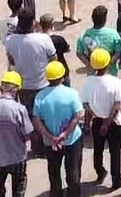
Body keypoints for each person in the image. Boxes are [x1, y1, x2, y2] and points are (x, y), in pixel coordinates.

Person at [33, 62, 83, 197]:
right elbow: (77, 115)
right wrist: (65, 134)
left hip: (50, 143)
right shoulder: (71, 93)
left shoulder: (40, 96)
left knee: (54, 172)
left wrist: (50, 137)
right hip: (72, 140)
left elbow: (37, 120)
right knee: (73, 171)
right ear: (62, 76)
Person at [81, 49, 121, 191]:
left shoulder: (88, 82)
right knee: (115, 153)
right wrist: (107, 124)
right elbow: (117, 106)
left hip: (97, 121)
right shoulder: (116, 82)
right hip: (114, 123)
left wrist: (88, 123)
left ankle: (100, 172)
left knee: (98, 150)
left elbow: (86, 105)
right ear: (108, 64)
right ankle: (116, 180)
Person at [0, 72, 32, 197]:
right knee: (18, 189)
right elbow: (27, 132)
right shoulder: (19, 109)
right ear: (16, 90)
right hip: (17, 157)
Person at [4, 9, 57, 120]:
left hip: (23, 87)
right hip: (44, 85)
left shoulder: (9, 41)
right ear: (33, 23)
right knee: (46, 117)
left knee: (29, 117)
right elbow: (54, 59)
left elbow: (11, 63)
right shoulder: (44, 39)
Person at [76, 6, 121, 75]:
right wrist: (109, 64)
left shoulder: (83, 35)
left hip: (92, 73)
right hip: (111, 72)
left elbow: (79, 53)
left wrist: (88, 64)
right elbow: (118, 51)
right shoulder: (113, 34)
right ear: (105, 19)